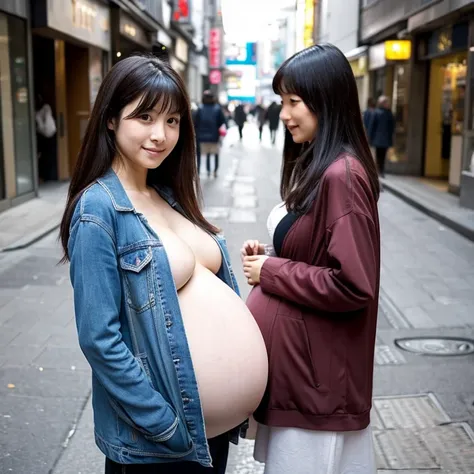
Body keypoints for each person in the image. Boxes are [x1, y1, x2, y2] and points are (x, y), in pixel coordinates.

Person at [59, 55, 268, 474]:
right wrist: (165, 424)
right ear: (112, 120)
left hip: (208, 437)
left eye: (172, 120)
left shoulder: (169, 193)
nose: (161, 134)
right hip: (161, 443)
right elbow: (100, 339)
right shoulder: (97, 210)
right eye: (146, 117)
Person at [241, 43, 380, 474]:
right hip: (305, 375)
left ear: (327, 100)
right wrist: (273, 254)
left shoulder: (343, 175)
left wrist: (272, 271)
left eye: (294, 102)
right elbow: (321, 252)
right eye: (283, 101)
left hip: (317, 381)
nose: (284, 114)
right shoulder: (322, 165)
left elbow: (352, 284)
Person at [195, 91, 226, 178]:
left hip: (201, 137)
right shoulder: (217, 109)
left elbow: (195, 123)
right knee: (215, 153)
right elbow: (222, 121)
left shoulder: (200, 109)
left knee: (203, 154)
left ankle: (202, 171)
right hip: (214, 136)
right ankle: (215, 170)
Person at [369, 95, 395, 178]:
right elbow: (392, 127)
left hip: (379, 139)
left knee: (379, 155)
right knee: (381, 156)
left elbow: (371, 127)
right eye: (386, 103)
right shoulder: (388, 113)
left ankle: (379, 170)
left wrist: (370, 137)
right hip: (383, 139)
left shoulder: (378, 113)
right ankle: (380, 170)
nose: (388, 104)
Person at [35, 94, 57, 181]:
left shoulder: (45, 108)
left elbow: (46, 129)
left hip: (46, 136)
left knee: (47, 158)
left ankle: (48, 177)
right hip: (44, 136)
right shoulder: (41, 110)